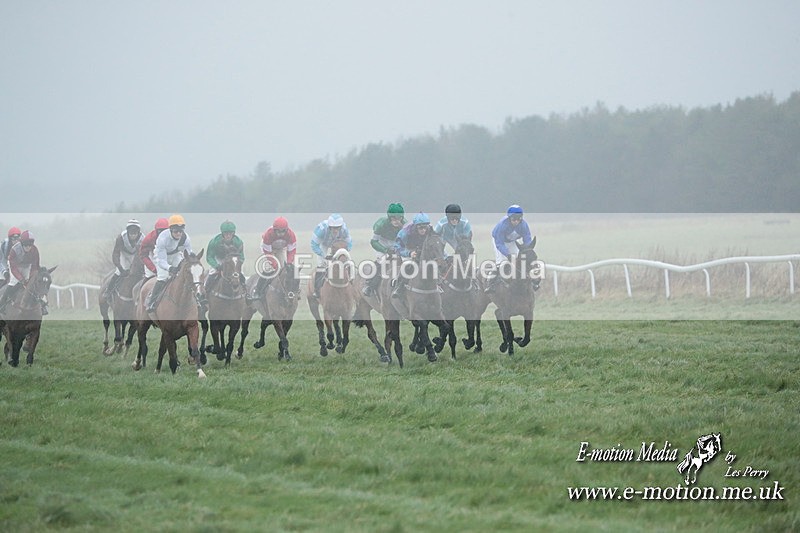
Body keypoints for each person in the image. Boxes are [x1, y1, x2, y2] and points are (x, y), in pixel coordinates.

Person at [146, 214, 193, 312]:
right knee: (163, 277)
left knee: (184, 275)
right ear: (170, 230)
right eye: (176, 231)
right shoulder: (162, 239)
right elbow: (161, 260)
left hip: (175, 255)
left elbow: (189, 255)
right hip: (161, 256)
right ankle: (152, 302)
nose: (178, 234)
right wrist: (170, 268)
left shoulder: (186, 238)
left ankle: (195, 300)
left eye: (180, 231)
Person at [485, 204, 533, 293]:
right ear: (509, 218)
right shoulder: (502, 225)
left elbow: (527, 239)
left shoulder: (524, 225)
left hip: (512, 241)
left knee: (519, 260)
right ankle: (490, 283)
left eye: (518, 219)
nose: (516, 221)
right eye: (514, 219)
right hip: (499, 241)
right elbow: (499, 244)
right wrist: (507, 254)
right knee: (502, 262)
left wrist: (528, 250)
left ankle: (527, 282)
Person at [362, 203, 405, 296]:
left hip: (396, 244)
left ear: (402, 217)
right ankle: (369, 285)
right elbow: (373, 242)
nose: (396, 221)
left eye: (399, 218)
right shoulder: (381, 224)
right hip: (382, 243)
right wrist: (385, 250)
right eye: (394, 218)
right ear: (389, 217)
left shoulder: (405, 225)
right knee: (383, 260)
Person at [0, 231, 48, 315]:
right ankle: (2, 304)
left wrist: (31, 277)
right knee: (13, 283)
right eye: (26, 245)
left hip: (27, 266)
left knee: (33, 283)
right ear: (22, 243)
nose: (28, 247)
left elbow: (35, 266)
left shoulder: (35, 250)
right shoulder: (14, 250)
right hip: (15, 266)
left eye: (30, 245)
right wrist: (21, 279)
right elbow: (13, 267)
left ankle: (42, 306)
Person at [252, 216, 297, 300]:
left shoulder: (291, 235)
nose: (280, 234)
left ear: (286, 230)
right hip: (268, 249)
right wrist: (275, 265)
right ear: (274, 230)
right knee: (268, 269)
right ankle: (257, 291)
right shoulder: (268, 234)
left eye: (283, 231)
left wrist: (289, 263)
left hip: (280, 249)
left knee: (284, 269)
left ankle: (285, 291)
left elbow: (291, 251)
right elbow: (268, 253)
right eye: (278, 231)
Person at [310, 213, 352, 299]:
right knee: (321, 265)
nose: (335, 230)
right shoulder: (321, 230)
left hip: (338, 244)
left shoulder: (344, 229)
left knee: (348, 263)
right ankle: (317, 290)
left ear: (340, 227)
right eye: (333, 228)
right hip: (324, 244)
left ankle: (352, 286)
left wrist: (344, 252)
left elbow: (349, 243)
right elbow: (314, 244)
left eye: (338, 228)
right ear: (329, 227)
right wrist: (323, 255)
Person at [391, 212, 432, 298]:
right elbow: (397, 247)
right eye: (420, 228)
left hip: (424, 253)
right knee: (408, 267)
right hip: (408, 252)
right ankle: (399, 287)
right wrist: (409, 253)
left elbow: (436, 245)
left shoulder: (431, 230)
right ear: (415, 226)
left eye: (425, 227)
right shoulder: (405, 232)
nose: (423, 230)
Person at [102, 219, 143, 303]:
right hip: (124, 255)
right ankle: (108, 291)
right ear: (127, 231)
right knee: (118, 272)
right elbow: (115, 254)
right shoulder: (121, 238)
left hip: (136, 255)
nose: (133, 235)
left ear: (138, 232)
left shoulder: (143, 239)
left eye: (135, 232)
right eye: (131, 232)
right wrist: (120, 268)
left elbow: (143, 255)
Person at [205, 220, 245, 292]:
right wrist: (216, 266)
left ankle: (246, 292)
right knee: (212, 274)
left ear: (233, 233)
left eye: (230, 233)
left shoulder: (238, 242)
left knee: (241, 275)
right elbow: (209, 257)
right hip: (219, 259)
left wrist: (238, 265)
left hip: (233, 260)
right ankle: (205, 293)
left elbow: (241, 257)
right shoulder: (214, 242)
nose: (228, 236)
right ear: (222, 234)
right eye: (226, 233)